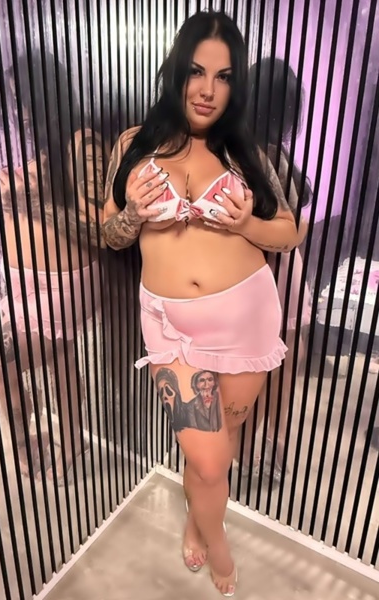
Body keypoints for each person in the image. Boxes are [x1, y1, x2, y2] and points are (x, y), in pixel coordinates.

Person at [103, 12, 298, 596]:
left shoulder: (244, 152)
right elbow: (109, 234)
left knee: (224, 438)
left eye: (223, 76)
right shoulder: (133, 145)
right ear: (175, 72)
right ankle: (220, 545)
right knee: (209, 459)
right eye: (195, 71)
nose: (207, 89)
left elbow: (289, 231)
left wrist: (246, 224)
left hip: (246, 317)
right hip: (171, 329)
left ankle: (196, 519)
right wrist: (132, 214)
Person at [0, 50, 105, 483]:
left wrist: (32, 203)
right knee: (61, 355)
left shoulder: (84, 141)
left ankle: (31, 443)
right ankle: (70, 443)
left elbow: (98, 228)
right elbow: (35, 183)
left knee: (0, 369)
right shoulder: (48, 146)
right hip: (27, 282)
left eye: (22, 99)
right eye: (12, 100)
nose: (17, 111)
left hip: (65, 284)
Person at [240, 58, 312, 481]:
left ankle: (256, 450)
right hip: (273, 269)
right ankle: (268, 448)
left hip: (270, 270)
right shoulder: (258, 154)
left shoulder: (258, 152)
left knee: (265, 364)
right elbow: (294, 226)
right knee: (273, 364)